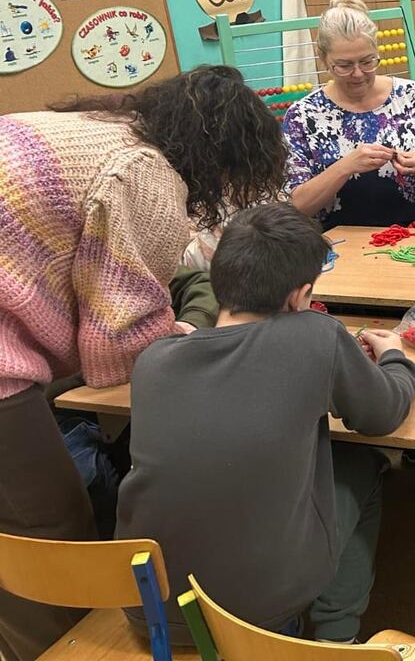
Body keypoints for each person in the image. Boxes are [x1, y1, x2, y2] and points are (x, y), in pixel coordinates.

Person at [0, 66, 285, 661]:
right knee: (48, 526)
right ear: (224, 159)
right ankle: (59, 649)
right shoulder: (146, 175)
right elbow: (115, 346)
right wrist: (180, 333)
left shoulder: (100, 126)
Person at [115, 203, 415, 643]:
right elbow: (382, 414)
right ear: (300, 296)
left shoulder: (154, 360)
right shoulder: (315, 335)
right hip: (254, 615)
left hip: (151, 608)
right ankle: (336, 636)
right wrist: (396, 359)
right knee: (362, 465)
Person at [284, 0, 415, 231]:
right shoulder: (303, 116)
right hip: (343, 245)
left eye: (367, 62)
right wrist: (345, 167)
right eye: (344, 65)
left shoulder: (411, 96)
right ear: (323, 58)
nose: (358, 74)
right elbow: (296, 207)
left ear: (377, 51)